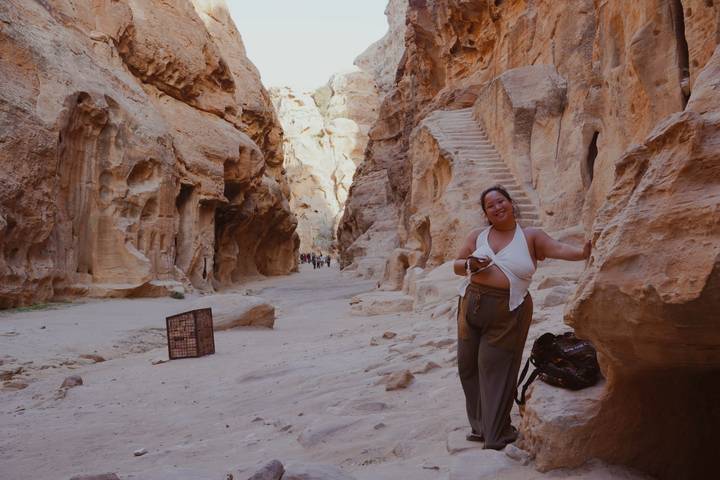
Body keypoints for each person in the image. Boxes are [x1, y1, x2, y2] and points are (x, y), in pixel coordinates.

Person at [453, 185, 590, 450]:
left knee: (496, 369)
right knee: (468, 367)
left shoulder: (530, 236)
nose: (497, 207)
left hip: (508, 311)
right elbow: (457, 266)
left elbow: (560, 249)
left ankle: (497, 433)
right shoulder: (477, 235)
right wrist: (472, 263)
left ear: (511, 203)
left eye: (501, 201)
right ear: (485, 213)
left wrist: (583, 253)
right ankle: (480, 427)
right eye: (490, 205)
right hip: (470, 306)